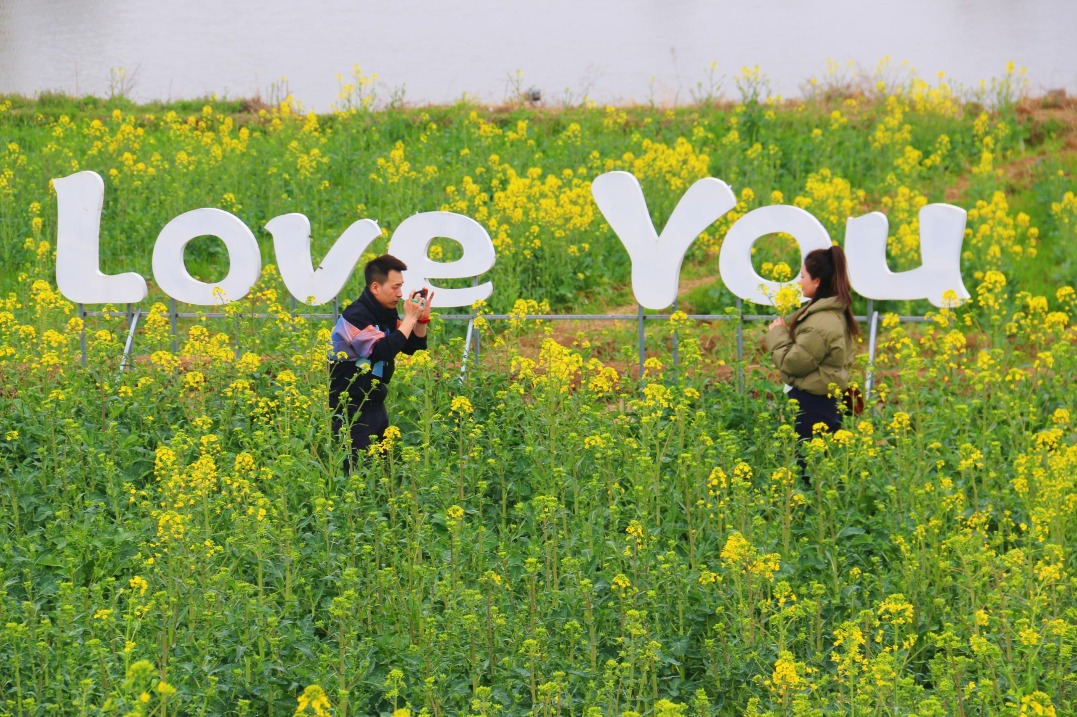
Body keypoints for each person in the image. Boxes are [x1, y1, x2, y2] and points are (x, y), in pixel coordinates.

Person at [329, 254, 433, 471]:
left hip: (374, 402)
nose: (400, 294)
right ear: (376, 287)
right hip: (350, 408)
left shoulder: (384, 312)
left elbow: (411, 346)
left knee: (383, 473)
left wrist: (420, 319)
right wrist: (410, 319)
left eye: (401, 286)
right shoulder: (356, 316)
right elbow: (381, 351)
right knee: (358, 473)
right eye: (395, 287)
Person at [765, 246, 860, 456]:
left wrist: (776, 333)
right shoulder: (830, 313)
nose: (799, 282)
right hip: (823, 400)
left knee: (808, 465)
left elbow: (793, 363)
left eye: (802, 276)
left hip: (814, 405)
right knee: (818, 463)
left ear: (816, 281)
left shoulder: (820, 323)